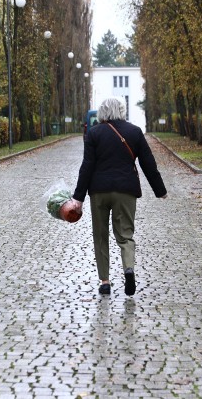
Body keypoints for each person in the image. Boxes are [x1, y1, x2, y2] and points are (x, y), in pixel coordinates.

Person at [70, 97, 167, 296]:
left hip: (99, 191)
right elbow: (148, 163)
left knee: (100, 235)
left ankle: (105, 281)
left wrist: (78, 197)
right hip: (126, 190)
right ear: (122, 111)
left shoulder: (94, 133)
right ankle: (128, 269)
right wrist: (160, 190)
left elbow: (87, 166)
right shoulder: (134, 132)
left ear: (102, 113)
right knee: (125, 235)